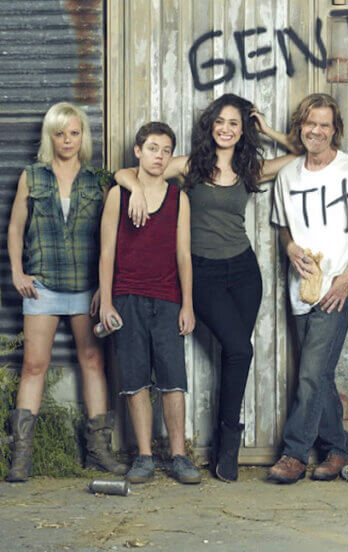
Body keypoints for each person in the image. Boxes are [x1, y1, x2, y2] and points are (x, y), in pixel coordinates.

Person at [115, 93, 296, 482]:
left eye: (235, 123)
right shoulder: (190, 166)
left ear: (242, 129)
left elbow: (303, 153)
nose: (227, 129)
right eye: (220, 122)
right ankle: (228, 443)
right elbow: (127, 173)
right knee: (239, 348)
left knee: (236, 355)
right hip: (203, 273)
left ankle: (224, 449)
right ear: (210, 126)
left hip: (245, 273)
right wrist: (140, 191)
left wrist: (267, 130)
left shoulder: (252, 168)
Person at [5, 102, 125, 482]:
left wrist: (103, 290)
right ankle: (21, 456)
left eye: (74, 133)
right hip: (42, 286)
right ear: (50, 137)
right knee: (34, 366)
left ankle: (98, 450)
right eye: (60, 133)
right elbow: (15, 228)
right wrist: (17, 272)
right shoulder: (33, 176)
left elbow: (109, 239)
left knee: (92, 362)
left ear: (82, 137)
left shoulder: (97, 180)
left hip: (85, 287)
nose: (67, 140)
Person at [266, 93, 348, 484]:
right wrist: (291, 247)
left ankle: (294, 454)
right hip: (301, 290)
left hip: (337, 290)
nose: (316, 130)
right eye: (310, 123)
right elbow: (283, 230)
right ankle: (338, 450)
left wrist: (347, 279)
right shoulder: (288, 176)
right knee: (320, 374)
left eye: (324, 124)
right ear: (301, 126)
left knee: (311, 373)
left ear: (335, 130)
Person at [98, 122, 199, 484]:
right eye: (152, 148)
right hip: (126, 298)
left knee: (173, 379)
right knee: (135, 378)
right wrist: (107, 300)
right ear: (138, 151)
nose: (159, 155)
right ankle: (143, 456)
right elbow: (106, 251)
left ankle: (179, 456)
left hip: (168, 298)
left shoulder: (178, 198)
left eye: (166, 150)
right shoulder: (118, 195)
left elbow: (183, 255)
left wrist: (187, 304)